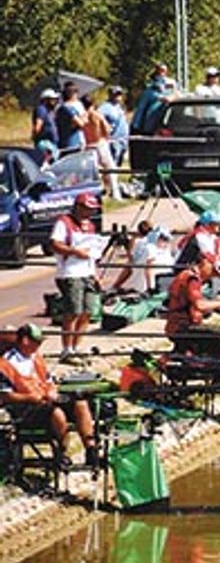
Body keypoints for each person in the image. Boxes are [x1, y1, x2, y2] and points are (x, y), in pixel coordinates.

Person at [0, 324, 98, 467]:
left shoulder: (37, 358)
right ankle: (62, 452)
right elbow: (6, 396)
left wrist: (52, 391)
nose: (39, 345)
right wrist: (30, 398)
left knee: (80, 404)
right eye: (37, 341)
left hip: (46, 400)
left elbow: (48, 380)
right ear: (25, 340)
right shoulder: (5, 364)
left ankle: (91, 449)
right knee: (57, 414)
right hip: (26, 408)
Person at [49, 193, 102, 359]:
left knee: (88, 312)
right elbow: (54, 243)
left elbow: (93, 252)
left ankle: (76, 347)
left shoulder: (91, 226)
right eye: (88, 209)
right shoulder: (64, 222)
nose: (91, 213)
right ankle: (66, 349)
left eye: (93, 209)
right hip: (70, 273)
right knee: (73, 311)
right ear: (78, 207)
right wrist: (74, 251)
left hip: (88, 273)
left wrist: (95, 274)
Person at [164, 254, 220, 358]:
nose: (212, 276)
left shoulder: (190, 276)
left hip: (181, 325)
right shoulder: (191, 279)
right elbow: (200, 305)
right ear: (205, 263)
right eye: (212, 272)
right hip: (181, 327)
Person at [109, 223, 175, 294]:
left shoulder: (147, 247)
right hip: (150, 288)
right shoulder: (150, 248)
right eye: (164, 239)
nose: (166, 242)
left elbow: (136, 263)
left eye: (166, 239)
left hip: (146, 289)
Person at [81, 94, 117, 198]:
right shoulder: (97, 115)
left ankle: (96, 193)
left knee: (94, 171)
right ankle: (114, 192)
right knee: (110, 168)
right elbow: (107, 129)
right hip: (100, 143)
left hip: (88, 145)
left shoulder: (82, 116)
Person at [97, 87, 129, 195]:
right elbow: (97, 119)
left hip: (122, 140)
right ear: (110, 94)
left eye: (120, 94)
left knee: (117, 166)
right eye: (116, 94)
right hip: (113, 141)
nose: (118, 97)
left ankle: (113, 187)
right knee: (111, 166)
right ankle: (109, 189)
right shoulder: (105, 107)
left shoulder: (119, 107)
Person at [130, 64, 172, 134]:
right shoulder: (150, 90)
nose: (162, 72)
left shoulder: (169, 84)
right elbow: (141, 109)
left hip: (167, 125)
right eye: (160, 70)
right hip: (151, 126)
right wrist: (135, 126)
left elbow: (175, 94)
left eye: (164, 70)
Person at [54, 83, 87, 157]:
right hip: (71, 142)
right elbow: (80, 123)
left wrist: (80, 120)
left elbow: (85, 120)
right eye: (70, 91)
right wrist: (78, 121)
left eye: (75, 91)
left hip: (79, 140)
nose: (74, 93)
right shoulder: (64, 107)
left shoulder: (79, 104)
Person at [31, 88, 61, 164]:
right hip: (45, 142)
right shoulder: (41, 109)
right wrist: (36, 137)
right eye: (52, 99)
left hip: (51, 143)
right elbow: (38, 125)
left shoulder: (49, 111)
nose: (54, 102)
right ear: (45, 100)